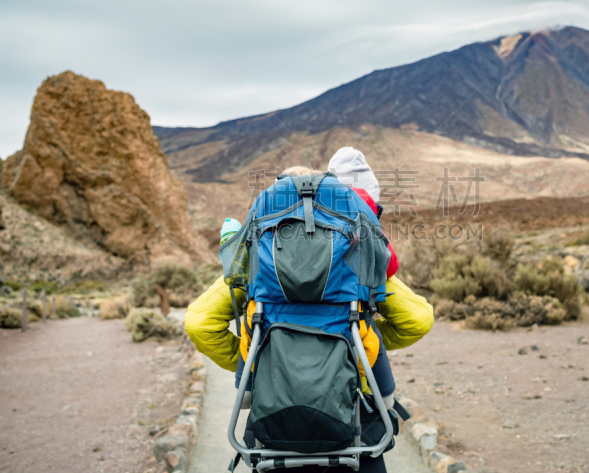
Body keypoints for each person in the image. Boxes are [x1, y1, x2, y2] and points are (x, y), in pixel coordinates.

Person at [185, 159, 434, 473]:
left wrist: (256, 363)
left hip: (275, 416)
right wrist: (356, 347)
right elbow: (418, 319)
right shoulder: (356, 257)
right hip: (353, 421)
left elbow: (198, 321)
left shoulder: (255, 264)